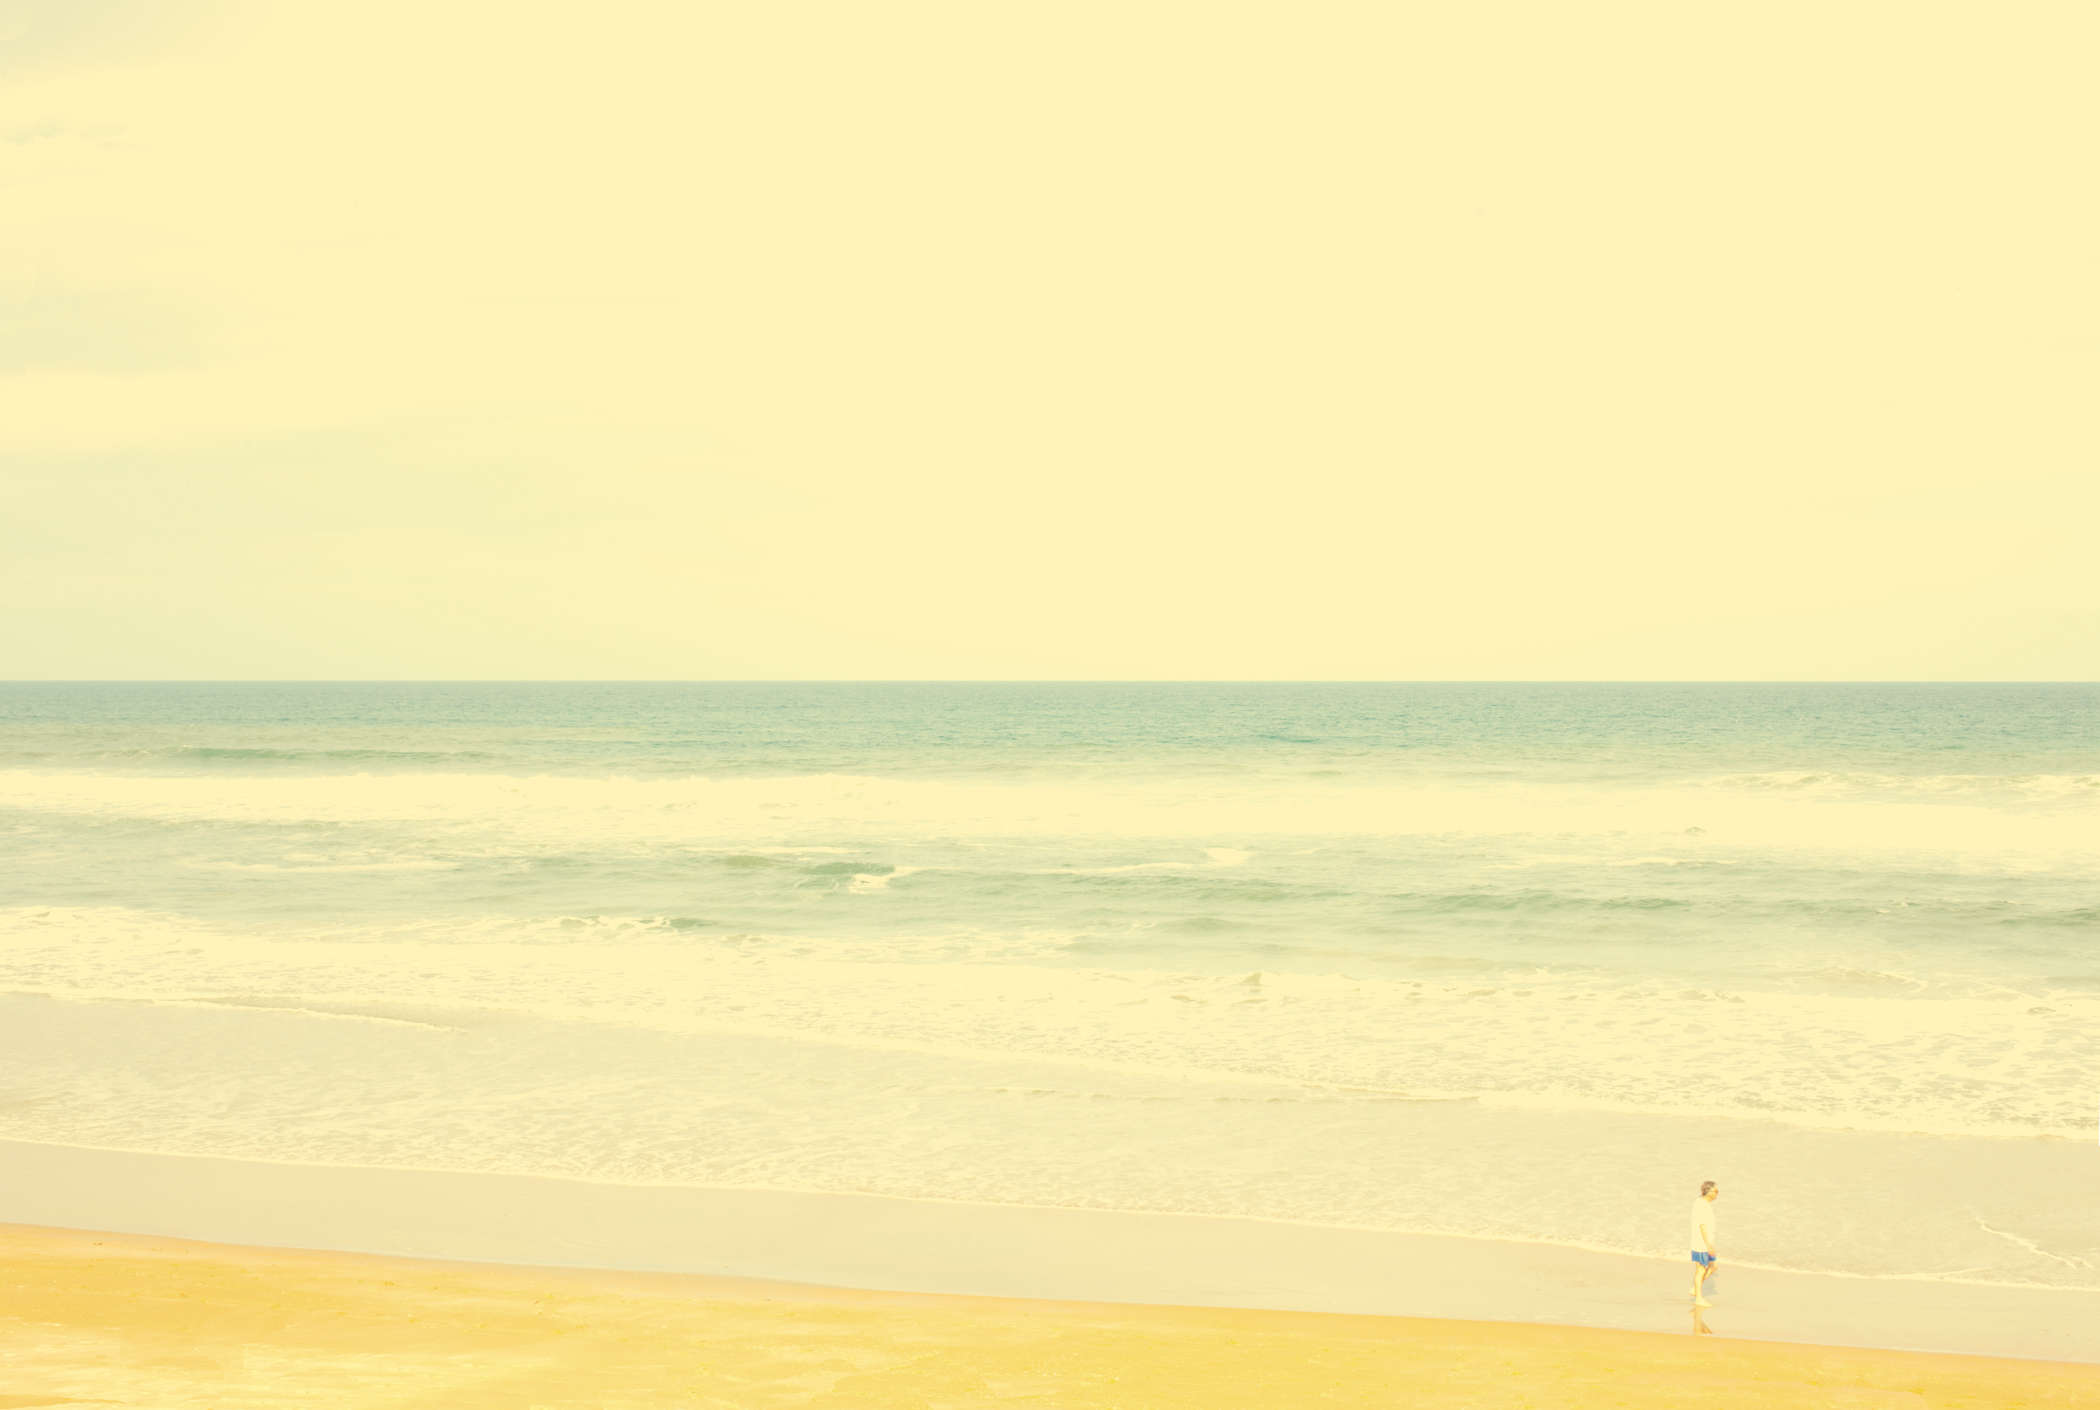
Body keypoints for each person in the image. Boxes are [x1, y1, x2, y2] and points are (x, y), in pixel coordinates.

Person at [1690, 1180, 1720, 1306]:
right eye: (1715, 1191)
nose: (1717, 1194)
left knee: (1713, 1266)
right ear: (1708, 1192)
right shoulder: (1702, 1205)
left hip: (1705, 1243)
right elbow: (1702, 1226)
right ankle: (1698, 1298)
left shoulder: (1701, 1202)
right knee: (1701, 1270)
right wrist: (1708, 1245)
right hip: (1701, 1244)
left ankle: (1695, 1289)